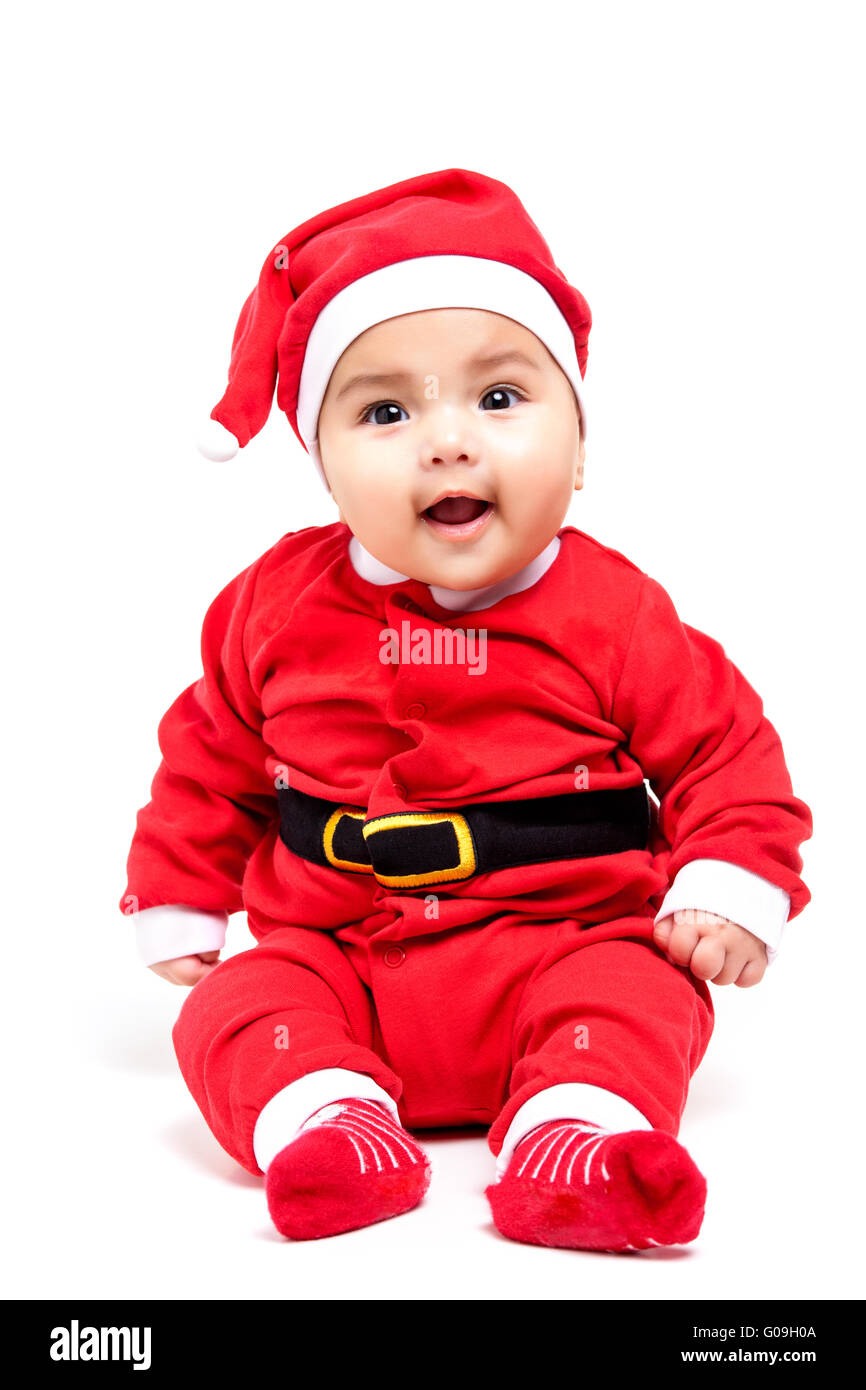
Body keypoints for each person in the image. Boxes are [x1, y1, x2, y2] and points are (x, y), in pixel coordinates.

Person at [121, 168, 812, 1251]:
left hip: (561, 946)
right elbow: (211, 752)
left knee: (642, 991)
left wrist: (724, 886)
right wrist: (179, 887)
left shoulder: (616, 613)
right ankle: (325, 1115)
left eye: (499, 398)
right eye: (385, 411)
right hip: (339, 952)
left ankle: (576, 1129)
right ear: (323, 463)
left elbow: (727, 755)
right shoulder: (271, 606)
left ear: (578, 450)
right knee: (236, 1005)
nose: (447, 441)